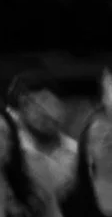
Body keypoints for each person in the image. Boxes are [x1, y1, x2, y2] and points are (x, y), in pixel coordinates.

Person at [8, 74, 80, 206]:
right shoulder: (10, 154)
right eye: (30, 104)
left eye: (47, 101)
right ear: (20, 112)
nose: (42, 111)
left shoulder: (78, 154)